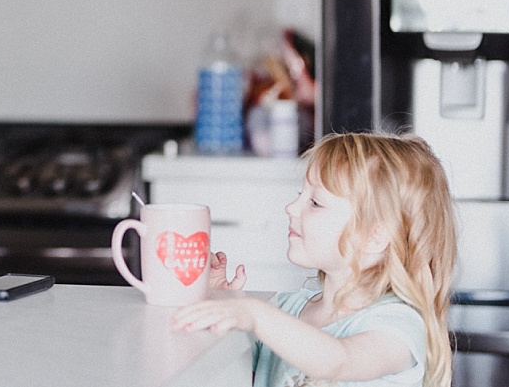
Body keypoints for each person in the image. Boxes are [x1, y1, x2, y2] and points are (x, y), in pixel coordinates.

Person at [172, 132, 457, 387]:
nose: (291, 207)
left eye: (315, 202)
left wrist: (253, 313)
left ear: (374, 236)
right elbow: (236, 373)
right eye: (300, 195)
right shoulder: (286, 309)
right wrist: (225, 303)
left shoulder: (398, 327)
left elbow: (339, 360)